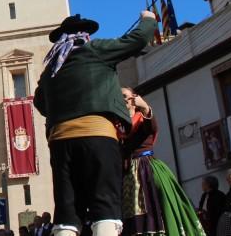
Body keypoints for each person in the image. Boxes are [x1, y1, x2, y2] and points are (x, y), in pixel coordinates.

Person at [34, 12, 157, 236]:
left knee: (67, 213)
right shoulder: (95, 50)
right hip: (98, 138)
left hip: (60, 145)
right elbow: (137, 40)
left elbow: (40, 102)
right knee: (105, 206)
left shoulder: (51, 69)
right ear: (85, 35)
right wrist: (148, 19)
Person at [120, 87, 204, 235]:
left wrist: (145, 107)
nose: (122, 99)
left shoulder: (142, 119)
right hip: (126, 176)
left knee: (157, 206)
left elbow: (151, 127)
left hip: (146, 170)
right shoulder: (117, 125)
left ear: (134, 99)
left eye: (124, 96)